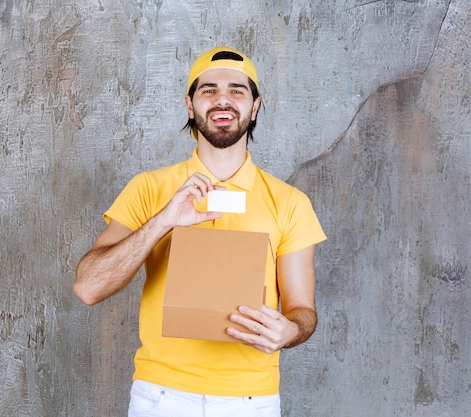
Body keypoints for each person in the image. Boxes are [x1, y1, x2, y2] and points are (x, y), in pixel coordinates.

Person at [74, 45, 327, 417]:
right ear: (190, 105)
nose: (222, 99)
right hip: (160, 396)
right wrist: (163, 221)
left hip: (250, 400)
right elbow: (88, 287)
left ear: (255, 106)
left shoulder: (290, 203)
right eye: (208, 89)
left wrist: (290, 331)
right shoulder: (149, 188)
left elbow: (302, 311)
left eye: (237, 90)